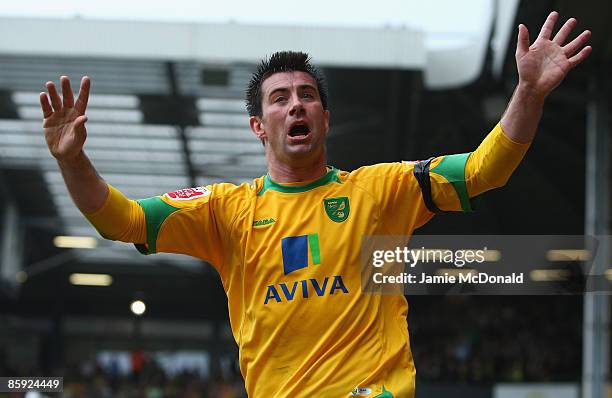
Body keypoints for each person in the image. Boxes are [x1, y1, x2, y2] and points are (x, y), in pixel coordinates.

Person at [40, 12, 591, 398]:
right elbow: (122, 221)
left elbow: (482, 170)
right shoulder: (224, 211)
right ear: (258, 126)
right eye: (280, 98)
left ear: (325, 118)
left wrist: (529, 93)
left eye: (308, 96)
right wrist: (72, 161)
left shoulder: (380, 190)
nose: (296, 105)